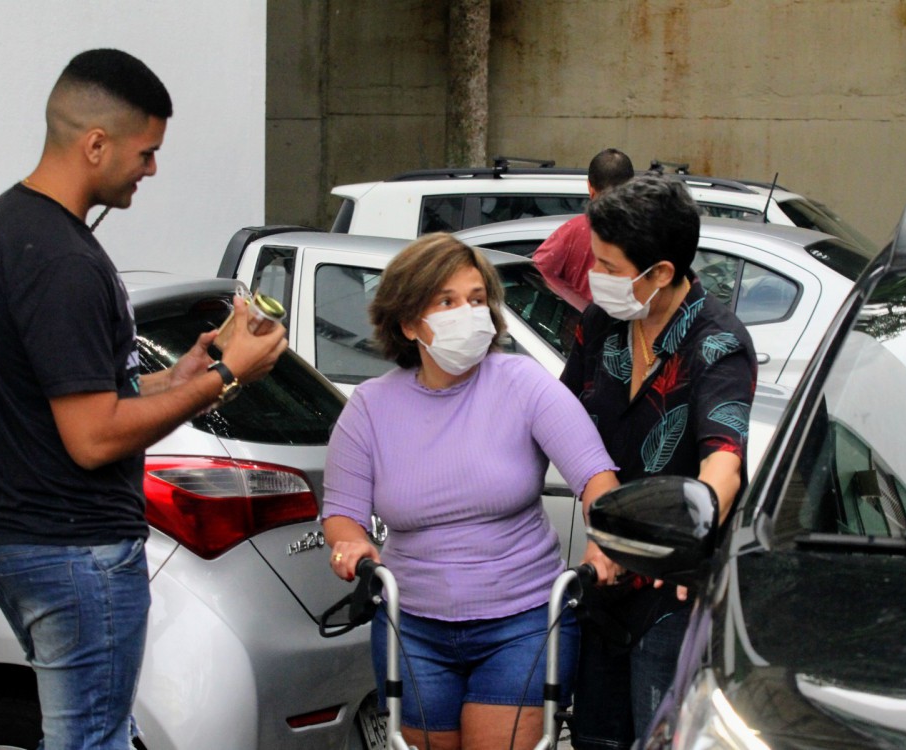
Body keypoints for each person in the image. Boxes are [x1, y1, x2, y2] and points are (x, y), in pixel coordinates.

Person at [0, 49, 287, 749]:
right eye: (147, 152)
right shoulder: (64, 261)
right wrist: (229, 378)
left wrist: (187, 373)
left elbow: (73, 398)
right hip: (74, 547)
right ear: (96, 144)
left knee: (87, 734)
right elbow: (93, 437)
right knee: (92, 741)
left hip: (27, 537)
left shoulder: (5, 226)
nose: (152, 169)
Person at [322, 233, 619, 750]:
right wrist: (350, 543)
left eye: (477, 299)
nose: (469, 312)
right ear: (409, 323)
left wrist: (605, 540)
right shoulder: (370, 406)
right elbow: (342, 513)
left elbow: (597, 480)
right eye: (447, 301)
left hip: (523, 623)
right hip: (412, 626)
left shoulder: (524, 382)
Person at [561, 175, 758, 750]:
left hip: (672, 594)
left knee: (659, 739)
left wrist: (680, 540)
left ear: (661, 273)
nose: (593, 276)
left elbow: (724, 464)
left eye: (609, 266)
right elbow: (561, 415)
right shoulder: (602, 323)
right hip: (602, 584)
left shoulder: (718, 342)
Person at [532, 148, 634, 311]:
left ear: (590, 188)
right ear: (631, 187)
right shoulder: (647, 232)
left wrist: (575, 300)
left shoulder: (574, 230)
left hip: (576, 328)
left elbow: (536, 271)